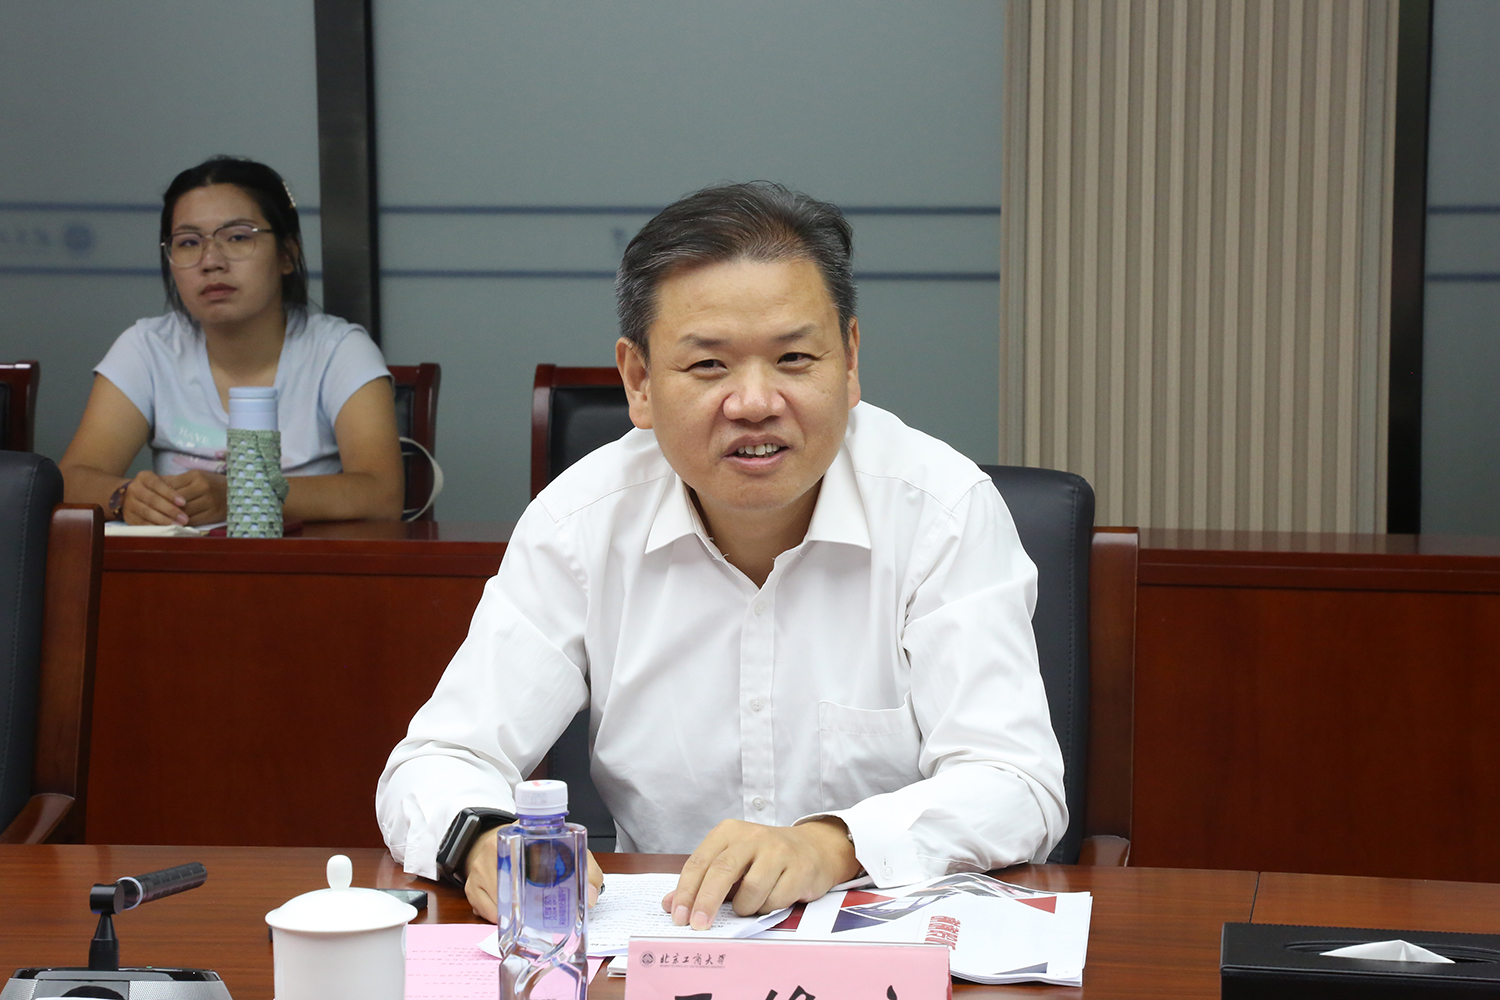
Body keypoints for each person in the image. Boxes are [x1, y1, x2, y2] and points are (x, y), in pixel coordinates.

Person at [377, 181, 1066, 930]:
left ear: (849, 361)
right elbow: (438, 760)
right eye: (709, 366)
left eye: (794, 357)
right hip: (663, 943)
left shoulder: (941, 511)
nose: (755, 402)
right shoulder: (579, 524)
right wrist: (484, 839)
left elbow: (1015, 784)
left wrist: (832, 845)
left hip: (886, 941)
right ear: (639, 381)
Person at [59, 156, 403, 525]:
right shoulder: (147, 348)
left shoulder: (339, 351)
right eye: (188, 242)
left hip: (304, 560)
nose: (211, 261)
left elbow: (381, 493)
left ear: (287, 254)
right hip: (184, 561)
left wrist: (243, 496)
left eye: (238, 237)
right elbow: (70, 479)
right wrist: (125, 497)